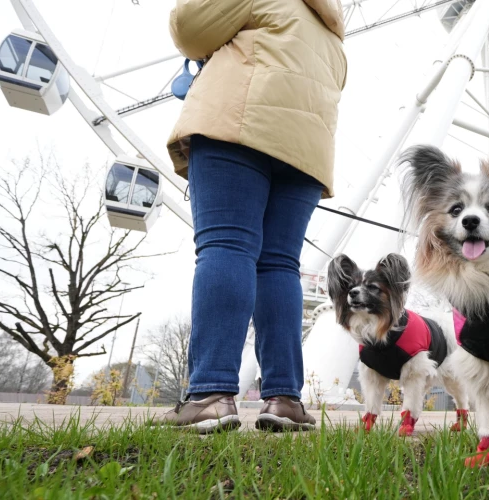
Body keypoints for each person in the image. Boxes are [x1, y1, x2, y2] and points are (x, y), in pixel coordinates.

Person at [156, 0, 347, 433]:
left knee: (227, 245)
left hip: (237, 124)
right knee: (280, 265)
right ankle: (285, 399)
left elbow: (189, 28)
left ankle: (209, 393)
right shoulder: (333, 32)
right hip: (306, 152)